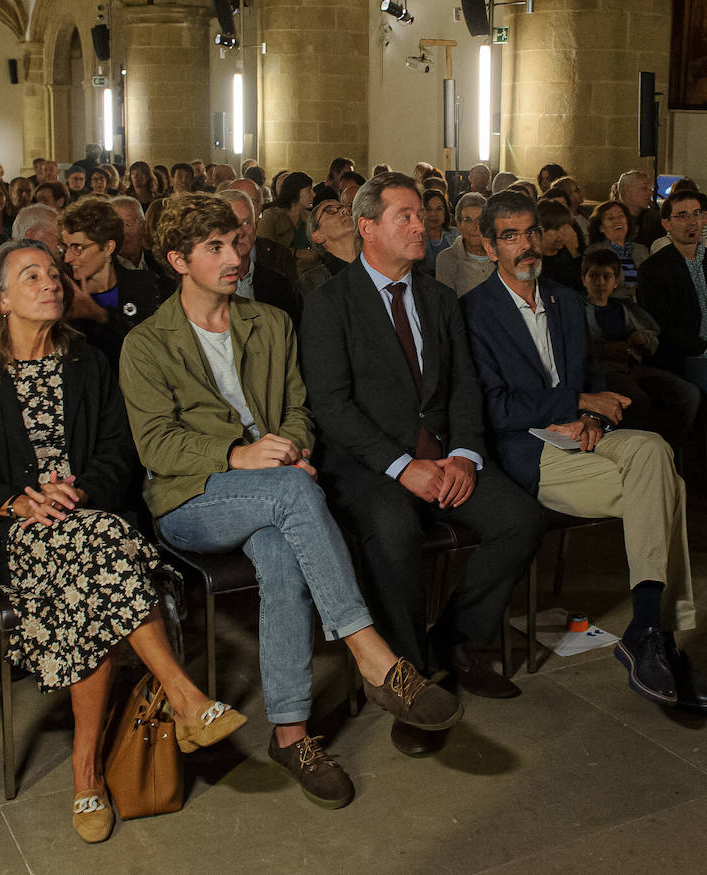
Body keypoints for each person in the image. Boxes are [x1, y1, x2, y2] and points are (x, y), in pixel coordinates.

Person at [121, 193, 462, 803]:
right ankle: (373, 655)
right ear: (176, 259)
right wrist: (237, 455)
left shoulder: (270, 322)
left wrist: (296, 448)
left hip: (279, 492)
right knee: (287, 496)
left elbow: (299, 410)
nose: (235, 256)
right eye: (215, 248)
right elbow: (156, 446)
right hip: (191, 502)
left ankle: (291, 733)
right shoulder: (146, 343)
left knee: (281, 553)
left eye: (237, 242)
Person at [0, 239, 248, 843]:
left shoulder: (89, 361)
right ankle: (183, 697)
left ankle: (87, 776)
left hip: (90, 520)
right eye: (31, 276)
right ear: (1, 299)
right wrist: (20, 500)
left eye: (54, 274)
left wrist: (75, 495)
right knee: (94, 556)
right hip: (14, 532)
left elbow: (120, 452)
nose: (51, 283)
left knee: (89, 557)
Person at [463, 191, 707, 713]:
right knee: (667, 490)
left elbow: (592, 378)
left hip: (588, 438)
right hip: (528, 453)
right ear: (489, 244)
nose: (526, 246)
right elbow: (493, 408)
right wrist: (576, 402)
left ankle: (646, 631)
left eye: (531, 233)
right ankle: (662, 642)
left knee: (654, 450)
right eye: (511, 236)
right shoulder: (474, 312)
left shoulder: (566, 300)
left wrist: (589, 415)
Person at [300, 174, 544, 754]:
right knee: (393, 531)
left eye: (420, 216)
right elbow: (331, 405)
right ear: (368, 228)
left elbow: (464, 385)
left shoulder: (436, 296)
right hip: (368, 464)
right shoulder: (328, 303)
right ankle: (406, 680)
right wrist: (399, 465)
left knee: (521, 521)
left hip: (442, 453)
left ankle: (453, 641)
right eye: (405, 217)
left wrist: (462, 454)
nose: (421, 225)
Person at [637, 189, 707, 466]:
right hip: (687, 354)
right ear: (667, 224)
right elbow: (663, 327)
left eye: (697, 214)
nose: (691, 222)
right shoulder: (654, 269)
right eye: (682, 216)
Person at [581, 247, 700, 448]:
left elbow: (650, 334)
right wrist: (601, 350)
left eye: (606, 276)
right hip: (603, 371)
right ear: (584, 279)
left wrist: (642, 340)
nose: (600, 282)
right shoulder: (576, 310)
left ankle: (672, 446)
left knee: (687, 393)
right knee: (637, 399)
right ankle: (639, 450)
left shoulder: (624, 308)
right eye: (593, 276)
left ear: (615, 281)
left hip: (632, 366)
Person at [58, 198, 169, 369]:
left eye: (78, 248)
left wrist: (100, 316)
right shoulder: (64, 293)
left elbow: (152, 351)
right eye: (65, 248)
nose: (68, 257)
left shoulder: (144, 285)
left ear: (108, 247)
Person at [215, 188, 301, 326]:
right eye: (231, 225)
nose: (240, 232)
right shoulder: (201, 284)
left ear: (256, 226)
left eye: (246, 223)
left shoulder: (278, 284)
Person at [296, 190, 356, 302]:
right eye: (331, 211)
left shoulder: (380, 267)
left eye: (346, 208)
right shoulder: (312, 282)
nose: (345, 210)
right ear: (318, 236)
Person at [434, 192, 494, 297]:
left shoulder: (501, 255)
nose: (474, 227)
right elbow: (447, 305)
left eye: (480, 220)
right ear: (459, 225)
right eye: (467, 220)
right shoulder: (447, 259)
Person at [586, 200, 648, 299]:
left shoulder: (641, 250)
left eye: (621, 216)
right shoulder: (595, 252)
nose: (617, 221)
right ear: (601, 227)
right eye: (610, 218)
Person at [257, 171, 313, 251]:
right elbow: (262, 247)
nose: (314, 194)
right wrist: (295, 254)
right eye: (309, 190)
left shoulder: (310, 217)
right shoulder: (272, 216)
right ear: (295, 192)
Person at [537, 198, 584, 292]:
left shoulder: (567, 253)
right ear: (540, 230)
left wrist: (574, 253)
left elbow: (583, 286)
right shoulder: (533, 261)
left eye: (566, 228)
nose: (563, 234)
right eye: (557, 229)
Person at [616, 170, 663, 247]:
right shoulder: (611, 218)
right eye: (644, 188)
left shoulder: (655, 219)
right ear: (627, 190)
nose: (650, 193)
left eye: (650, 188)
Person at [420, 188, 458, 275]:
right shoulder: (414, 238)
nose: (433, 214)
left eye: (439, 209)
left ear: (445, 212)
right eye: (428, 209)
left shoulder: (457, 235)